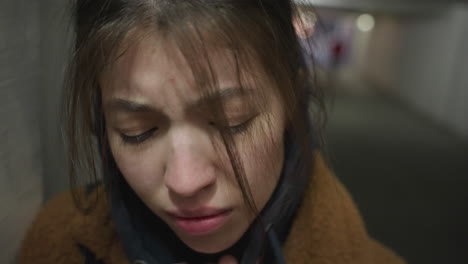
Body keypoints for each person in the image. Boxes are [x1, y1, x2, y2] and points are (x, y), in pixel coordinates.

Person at [19, 1, 405, 263]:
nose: (185, 183)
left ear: (291, 99)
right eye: (136, 131)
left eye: (232, 122)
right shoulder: (57, 244)